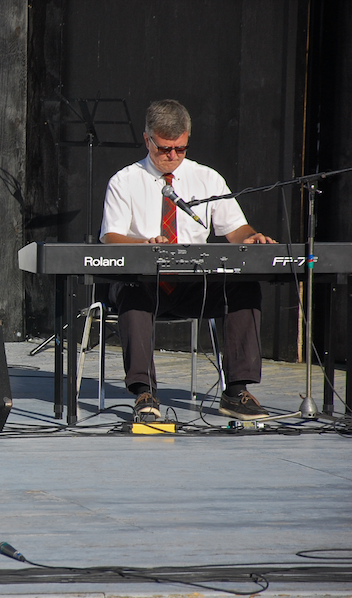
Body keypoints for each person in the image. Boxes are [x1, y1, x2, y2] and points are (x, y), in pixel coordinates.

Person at [99, 99, 276, 421]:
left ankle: (236, 391)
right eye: (164, 149)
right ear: (147, 140)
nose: (172, 157)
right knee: (133, 291)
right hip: (144, 282)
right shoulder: (125, 180)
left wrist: (251, 237)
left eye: (180, 149)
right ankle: (144, 393)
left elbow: (234, 228)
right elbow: (111, 237)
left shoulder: (206, 178)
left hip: (193, 284)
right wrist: (145, 243)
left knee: (243, 287)